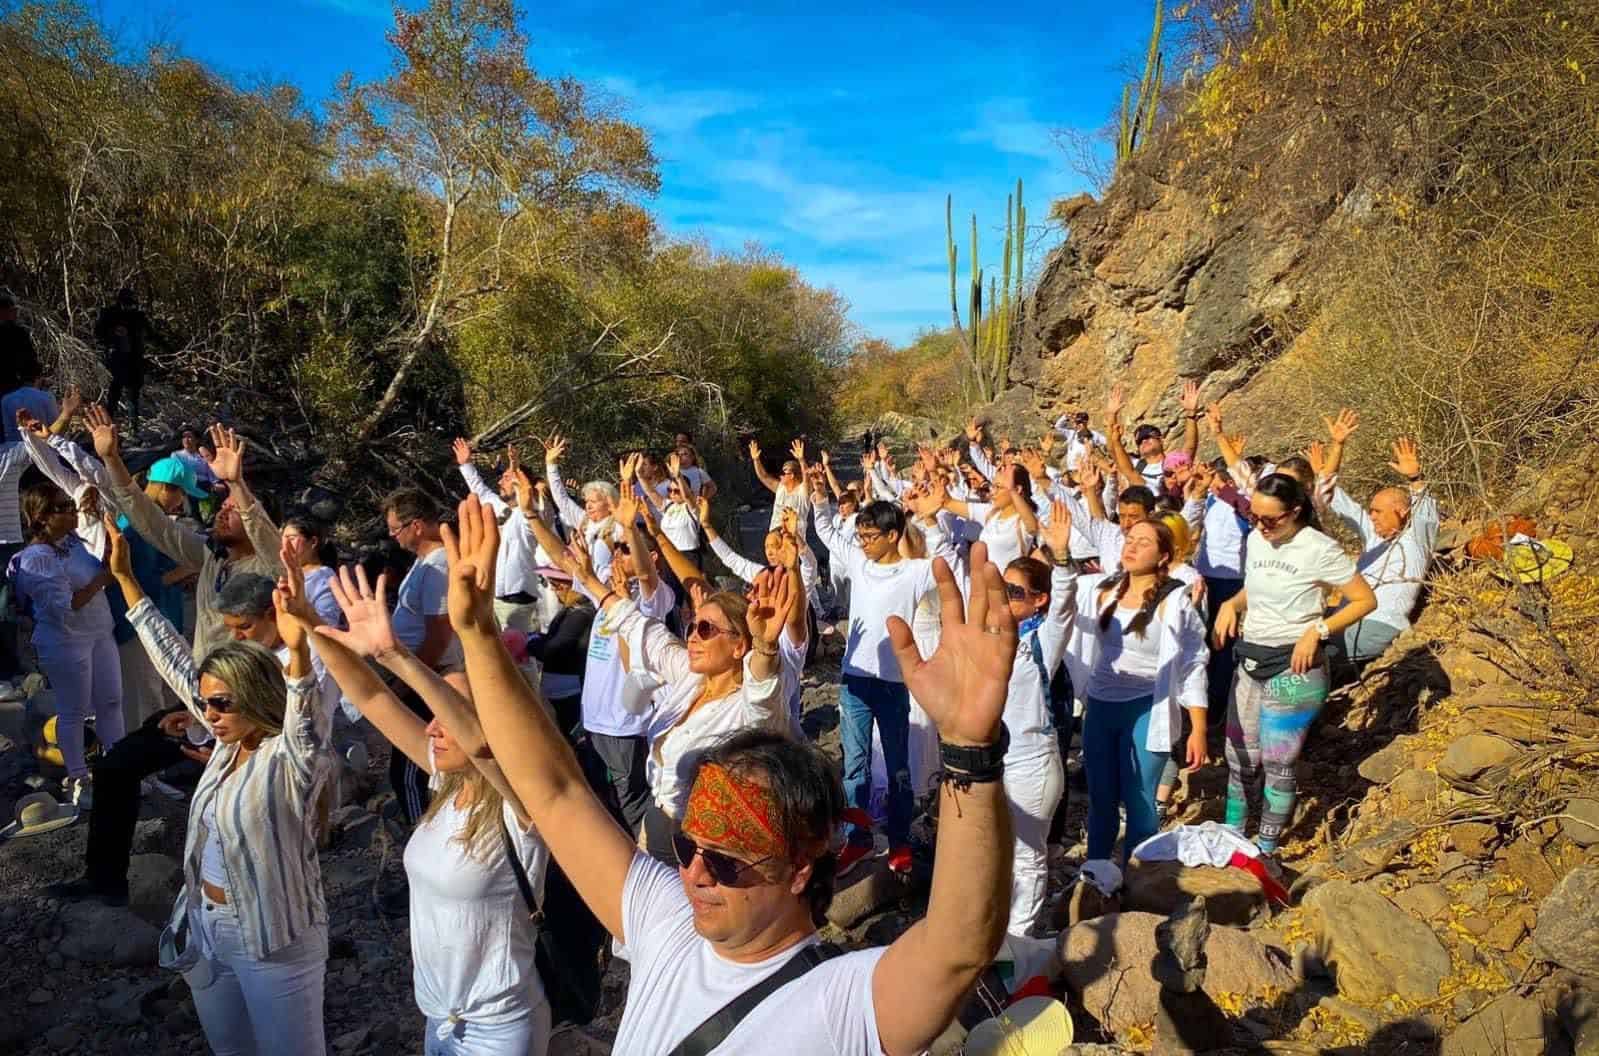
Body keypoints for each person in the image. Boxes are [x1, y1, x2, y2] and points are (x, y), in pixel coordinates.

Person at [449, 494, 1017, 1055]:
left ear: (800, 867)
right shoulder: (666, 920)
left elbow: (958, 947)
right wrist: (477, 637)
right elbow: (554, 792)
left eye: (724, 859)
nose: (693, 873)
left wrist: (970, 749)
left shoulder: (836, 1004)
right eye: (692, 847)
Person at [306, 564, 554, 1055]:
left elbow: (482, 747)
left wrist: (396, 654)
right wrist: (310, 622)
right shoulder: (445, 780)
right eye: (433, 716)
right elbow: (373, 697)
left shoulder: (519, 807)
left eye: (450, 716)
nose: (433, 729)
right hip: (438, 1017)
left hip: (500, 1028)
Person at [555, 515, 790, 865]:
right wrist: (588, 578)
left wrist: (765, 645)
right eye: (693, 625)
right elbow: (640, 628)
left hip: (710, 850)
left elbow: (762, 692)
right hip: (659, 822)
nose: (693, 635)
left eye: (707, 629)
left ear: (739, 646)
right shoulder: (691, 679)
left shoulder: (748, 709)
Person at [172, 576, 333, 1055]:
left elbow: (306, 719)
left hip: (272, 939)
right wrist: (125, 581)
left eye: (222, 703)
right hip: (207, 926)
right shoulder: (227, 748)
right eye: (205, 703)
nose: (210, 714)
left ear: (255, 696)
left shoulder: (287, 759)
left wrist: (299, 651)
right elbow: (172, 662)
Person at [1212, 473, 1377, 862]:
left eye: (1271, 519)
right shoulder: (1255, 539)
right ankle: (1233, 835)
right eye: (1254, 517)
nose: (1261, 526)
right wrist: (1231, 605)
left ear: (1295, 512)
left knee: (1278, 761)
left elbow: (1363, 600)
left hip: (1294, 666)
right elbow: (1259, 586)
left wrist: (1317, 631)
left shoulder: (1318, 549)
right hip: (1250, 656)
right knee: (1239, 757)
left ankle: (1266, 849)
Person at [520, 467, 673, 834]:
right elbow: (563, 560)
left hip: (625, 725)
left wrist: (631, 531)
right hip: (594, 719)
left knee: (631, 807)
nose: (617, 555)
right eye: (616, 549)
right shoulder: (605, 590)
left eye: (624, 550)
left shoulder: (653, 598)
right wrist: (530, 514)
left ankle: (647, 869)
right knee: (603, 802)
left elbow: (647, 574)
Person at [810, 489, 946, 875]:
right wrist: (819, 500)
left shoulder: (915, 572)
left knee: (898, 764)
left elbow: (947, 570)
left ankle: (900, 840)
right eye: (861, 536)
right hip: (854, 681)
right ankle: (859, 838)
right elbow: (824, 531)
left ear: (892, 535)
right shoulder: (857, 560)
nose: (864, 544)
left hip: (893, 683)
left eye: (872, 537)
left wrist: (932, 519)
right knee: (855, 765)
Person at [1063, 518, 1209, 867]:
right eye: (1130, 539)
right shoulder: (1102, 589)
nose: (1131, 546)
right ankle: (1096, 876)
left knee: (1140, 799)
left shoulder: (1176, 601)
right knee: (1101, 799)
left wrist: (1199, 728)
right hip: (1100, 705)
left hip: (1147, 706)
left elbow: (1194, 662)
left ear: (1164, 556)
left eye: (1144, 542)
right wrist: (1057, 552)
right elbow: (1060, 594)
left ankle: (1137, 880)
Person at [92, 409, 282, 656]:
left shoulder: (269, 569)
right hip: (205, 679)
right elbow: (154, 524)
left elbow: (267, 538)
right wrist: (111, 459)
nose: (222, 513)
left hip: (246, 685)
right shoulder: (212, 555)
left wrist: (237, 485)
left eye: (234, 510)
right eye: (223, 506)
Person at [8, 480, 122, 806]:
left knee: (111, 702)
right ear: (41, 517)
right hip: (65, 641)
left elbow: (96, 569)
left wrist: (110, 557)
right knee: (73, 712)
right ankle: (78, 778)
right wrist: (105, 579)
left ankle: (117, 768)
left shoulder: (73, 542)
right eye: (63, 507)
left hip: (100, 631)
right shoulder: (36, 559)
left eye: (70, 505)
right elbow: (64, 606)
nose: (71, 511)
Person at [997, 504, 1078, 937]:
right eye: (1002, 588)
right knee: (998, 852)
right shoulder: (992, 633)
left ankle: (1019, 945)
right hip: (995, 762)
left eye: (1015, 592)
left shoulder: (1043, 640)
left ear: (1038, 599)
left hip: (1032, 763)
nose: (1005, 598)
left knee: (1029, 858)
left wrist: (1061, 560)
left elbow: (1065, 607)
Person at [1320, 434, 1439, 665]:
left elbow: (1426, 514)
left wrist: (1415, 478)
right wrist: (1336, 447)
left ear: (1402, 511)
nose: (1371, 516)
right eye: (1371, 511)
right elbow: (1335, 498)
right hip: (1346, 619)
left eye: (1378, 511)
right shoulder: (1374, 540)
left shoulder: (1415, 540)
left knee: (1314, 658)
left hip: (1378, 623)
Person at [383, 487, 462, 825]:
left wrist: (413, 679)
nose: (391, 536)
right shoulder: (423, 564)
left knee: (412, 769)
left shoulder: (439, 566)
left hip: (435, 675)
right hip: (424, 674)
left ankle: (424, 832)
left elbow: (440, 632)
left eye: (395, 528)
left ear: (416, 525)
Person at [451, 438, 548, 633]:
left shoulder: (531, 514)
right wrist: (466, 464)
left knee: (521, 659)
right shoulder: (502, 509)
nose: (499, 481)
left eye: (505, 478)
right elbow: (480, 489)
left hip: (518, 601)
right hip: (494, 598)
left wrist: (515, 466)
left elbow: (527, 498)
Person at [94, 287, 171, 436]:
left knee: (132, 395)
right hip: (117, 359)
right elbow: (98, 335)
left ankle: (133, 429)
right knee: (114, 394)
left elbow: (151, 335)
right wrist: (113, 335)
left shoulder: (138, 316)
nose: (128, 306)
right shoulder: (109, 314)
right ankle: (107, 427)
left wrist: (168, 349)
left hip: (134, 360)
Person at [1104, 381, 1202, 492]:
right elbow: (1112, 448)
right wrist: (1112, 416)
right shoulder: (1134, 465)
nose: (1144, 440)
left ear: (1161, 440)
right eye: (1140, 441)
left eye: (1148, 436)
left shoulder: (1173, 462)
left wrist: (1191, 413)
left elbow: (1190, 446)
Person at [0, 359, 57, 443]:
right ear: (39, 377)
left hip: (18, 450)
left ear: (19, 376)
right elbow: (55, 425)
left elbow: (8, 432)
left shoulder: (6, 400)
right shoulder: (47, 397)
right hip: (45, 448)